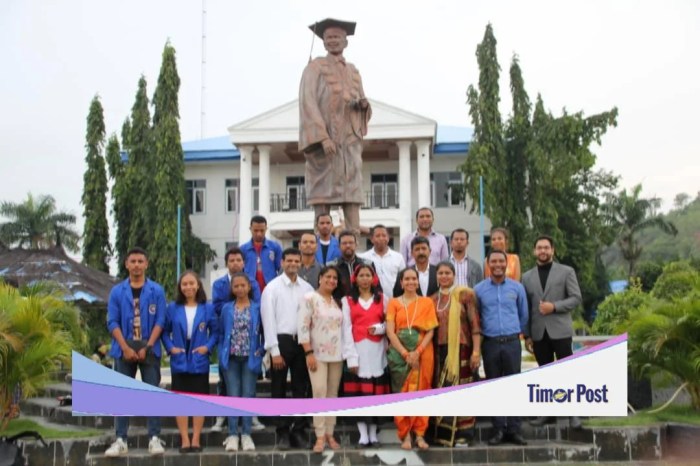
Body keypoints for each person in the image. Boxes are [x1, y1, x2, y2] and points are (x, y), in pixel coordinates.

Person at [299, 18, 371, 236]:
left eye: (337, 38)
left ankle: (353, 254)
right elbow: (307, 102)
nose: (332, 41)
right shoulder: (315, 68)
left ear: (345, 42)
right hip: (325, 148)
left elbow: (362, 100)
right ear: (323, 42)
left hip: (349, 146)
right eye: (328, 38)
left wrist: (363, 106)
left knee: (352, 203)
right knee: (323, 204)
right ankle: (320, 254)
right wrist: (323, 137)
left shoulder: (354, 72)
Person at [104, 247, 166, 457]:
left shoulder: (156, 290)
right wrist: (125, 347)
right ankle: (121, 439)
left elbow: (160, 320)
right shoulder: (117, 291)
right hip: (124, 349)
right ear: (126, 264)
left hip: (149, 348)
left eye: (141, 261)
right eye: (133, 261)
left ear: (146, 264)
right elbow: (112, 321)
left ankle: (154, 438)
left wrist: (148, 346)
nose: (137, 265)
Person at [522, 235, 583, 429]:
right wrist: (527, 334)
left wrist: (554, 306)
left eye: (546, 248)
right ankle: (547, 412)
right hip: (539, 333)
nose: (543, 251)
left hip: (561, 330)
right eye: (539, 248)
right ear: (534, 251)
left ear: (552, 250)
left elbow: (575, 298)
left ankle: (574, 414)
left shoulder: (566, 271)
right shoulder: (526, 276)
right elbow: (527, 308)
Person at [298, 266, 358, 453]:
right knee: (319, 393)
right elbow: (302, 327)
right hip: (317, 355)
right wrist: (308, 353)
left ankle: (330, 434)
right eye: (328, 277)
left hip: (337, 356)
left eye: (335, 278)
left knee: (332, 395)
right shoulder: (310, 298)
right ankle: (320, 436)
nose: (331, 281)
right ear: (320, 278)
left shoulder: (337, 302)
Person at [260, 248, 315, 450]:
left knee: (301, 388)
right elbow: (268, 321)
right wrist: (274, 351)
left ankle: (298, 431)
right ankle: (282, 432)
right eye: (289, 260)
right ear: (282, 263)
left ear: (300, 263)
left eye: (296, 260)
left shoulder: (307, 288)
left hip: (302, 342)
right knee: (279, 389)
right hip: (281, 342)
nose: (293, 264)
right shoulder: (272, 288)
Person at [474, 250, 529, 446]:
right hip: (490, 343)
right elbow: (476, 317)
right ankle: (498, 429)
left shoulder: (517, 288)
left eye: (501, 261)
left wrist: (520, 335)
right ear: (488, 264)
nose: (497, 264)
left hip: (512, 342)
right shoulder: (479, 290)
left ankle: (514, 429)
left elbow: (524, 314)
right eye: (493, 261)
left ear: (507, 264)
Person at [162, 270, 218, 453]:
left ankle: (196, 439)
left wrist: (207, 348)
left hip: (198, 356)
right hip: (179, 355)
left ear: (198, 285)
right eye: (184, 284)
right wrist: (170, 348)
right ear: (180, 287)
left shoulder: (207, 307)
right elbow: (164, 331)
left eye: (191, 283)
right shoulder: (173, 308)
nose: (188, 287)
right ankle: (185, 439)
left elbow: (216, 332)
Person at [211, 247, 263, 433]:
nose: (235, 263)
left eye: (238, 260)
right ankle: (223, 416)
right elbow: (216, 307)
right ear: (227, 263)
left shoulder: (253, 283)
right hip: (229, 340)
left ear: (244, 262)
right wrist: (233, 307)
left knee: (248, 387)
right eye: (231, 260)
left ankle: (251, 418)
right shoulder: (219, 284)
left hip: (249, 347)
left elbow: (258, 308)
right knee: (225, 384)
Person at [430, 261, 481, 446]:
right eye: (440, 273)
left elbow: (475, 325)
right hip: (439, 351)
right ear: (436, 276)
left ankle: (464, 434)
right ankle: (443, 435)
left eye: (447, 273)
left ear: (454, 275)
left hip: (462, 349)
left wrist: (476, 351)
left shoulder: (465, 295)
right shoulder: (432, 299)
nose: (444, 276)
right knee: (442, 391)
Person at [386, 268, 438, 451]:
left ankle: (420, 435)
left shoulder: (426, 302)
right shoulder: (393, 303)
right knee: (402, 395)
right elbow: (390, 331)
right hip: (400, 356)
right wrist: (405, 354)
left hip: (423, 354)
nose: (410, 282)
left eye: (413, 278)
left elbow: (431, 329)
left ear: (418, 281)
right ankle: (405, 435)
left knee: (422, 392)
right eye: (406, 279)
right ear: (401, 283)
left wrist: (418, 351)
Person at [341, 264, 391, 447]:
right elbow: (346, 329)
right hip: (358, 350)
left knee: (376, 395)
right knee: (360, 395)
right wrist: (350, 356)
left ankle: (373, 434)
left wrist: (380, 329)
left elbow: (390, 325)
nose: (364, 278)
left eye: (367, 275)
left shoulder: (383, 299)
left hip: (377, 352)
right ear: (355, 278)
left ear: (373, 278)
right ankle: (363, 434)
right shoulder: (347, 301)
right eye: (361, 275)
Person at [220, 273, 265, 452]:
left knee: (248, 395)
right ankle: (232, 434)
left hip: (250, 358)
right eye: (236, 286)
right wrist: (221, 351)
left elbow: (263, 331)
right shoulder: (226, 309)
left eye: (243, 286)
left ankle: (246, 434)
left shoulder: (256, 308)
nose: (239, 289)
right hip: (231, 358)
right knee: (233, 396)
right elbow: (222, 332)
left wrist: (260, 351)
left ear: (249, 287)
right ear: (232, 288)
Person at [359, 224, 405, 299]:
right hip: (372, 301)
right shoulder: (363, 258)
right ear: (371, 239)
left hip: (394, 300)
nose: (381, 238)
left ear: (388, 238)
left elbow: (403, 279)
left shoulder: (398, 257)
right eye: (377, 236)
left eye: (384, 235)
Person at [327, 230, 376, 297]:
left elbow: (376, 287)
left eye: (351, 243)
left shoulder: (368, 264)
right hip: (339, 305)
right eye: (344, 243)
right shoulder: (331, 266)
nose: (348, 245)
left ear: (356, 244)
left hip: (363, 304)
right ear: (339, 246)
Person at [241, 215, 283, 293]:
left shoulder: (275, 247)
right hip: (249, 291)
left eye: (262, 230)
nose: (259, 234)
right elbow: (240, 271)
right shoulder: (243, 249)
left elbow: (281, 269)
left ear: (266, 229)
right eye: (256, 230)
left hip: (271, 289)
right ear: (250, 229)